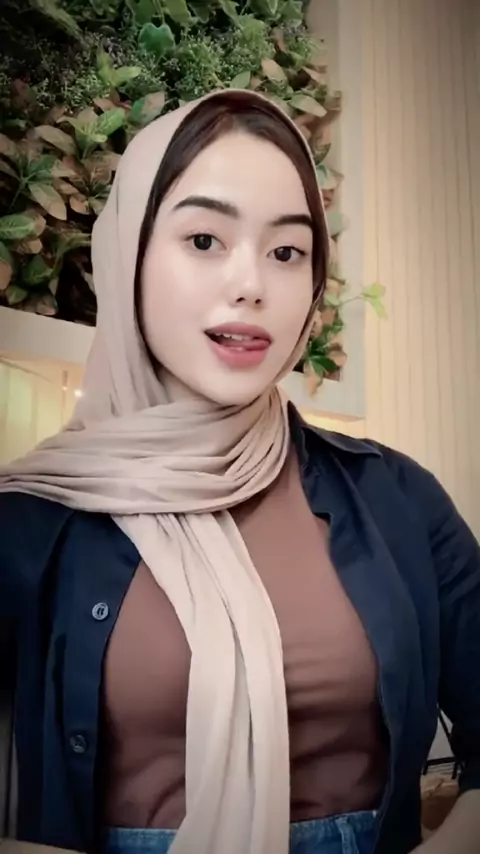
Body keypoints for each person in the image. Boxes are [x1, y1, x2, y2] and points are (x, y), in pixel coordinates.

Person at [0, 89, 479, 854]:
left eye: (286, 252)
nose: (251, 283)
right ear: (128, 257)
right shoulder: (30, 520)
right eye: (204, 240)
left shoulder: (399, 498)